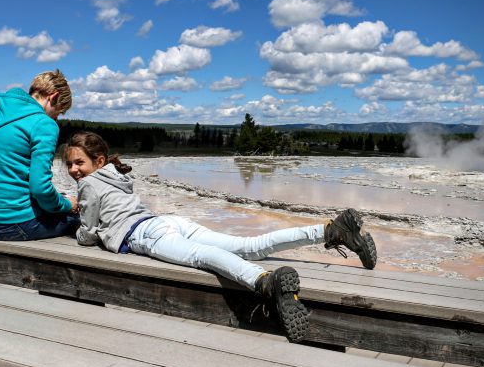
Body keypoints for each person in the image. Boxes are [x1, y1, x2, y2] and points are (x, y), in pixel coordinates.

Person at [64, 131, 377, 342]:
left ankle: (265, 282)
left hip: (144, 234)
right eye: (69, 165)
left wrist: (75, 221)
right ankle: (332, 230)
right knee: (248, 245)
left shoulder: (89, 185)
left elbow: (88, 235)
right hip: (168, 221)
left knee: (205, 259)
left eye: (79, 163)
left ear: (99, 161)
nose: (74, 170)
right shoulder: (116, 177)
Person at [0, 69, 79, 241]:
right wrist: (67, 204)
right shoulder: (44, 124)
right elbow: (39, 187)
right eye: (58, 112)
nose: (56, 118)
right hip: (15, 225)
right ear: (53, 97)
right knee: (77, 219)